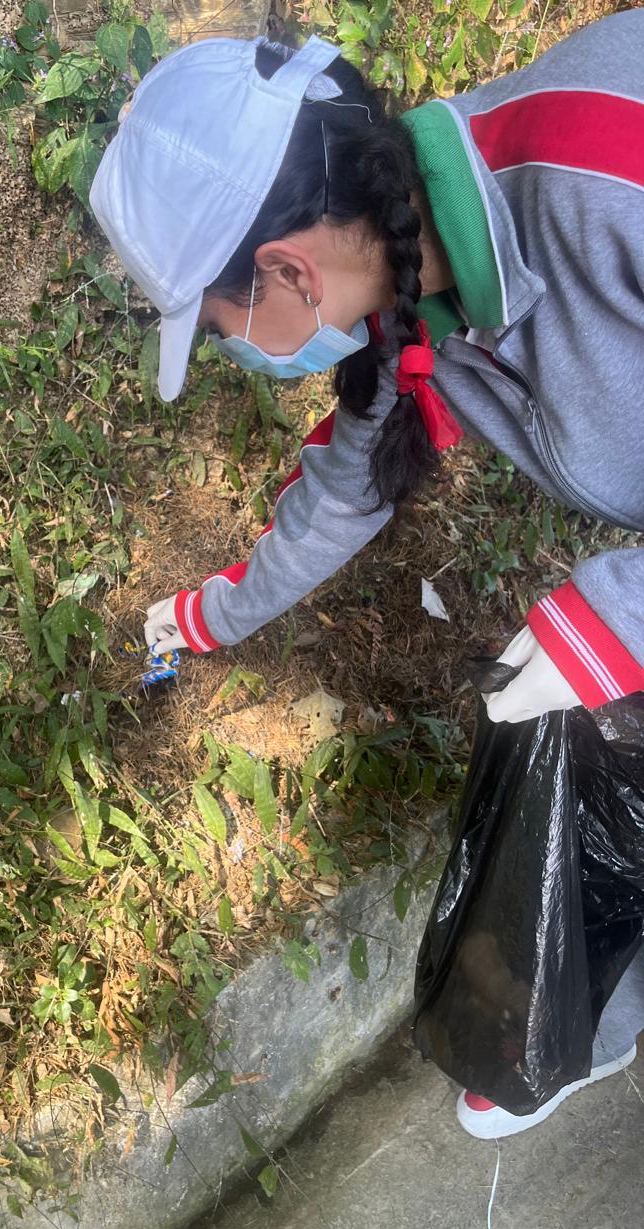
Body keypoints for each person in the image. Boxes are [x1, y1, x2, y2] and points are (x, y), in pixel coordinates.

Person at [88, 13, 644, 1139]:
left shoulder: (606, 179)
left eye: (225, 328)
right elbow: (341, 495)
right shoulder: (411, 300)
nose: (239, 355)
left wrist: (622, 613)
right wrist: (205, 615)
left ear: (288, 271)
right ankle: (594, 1018)